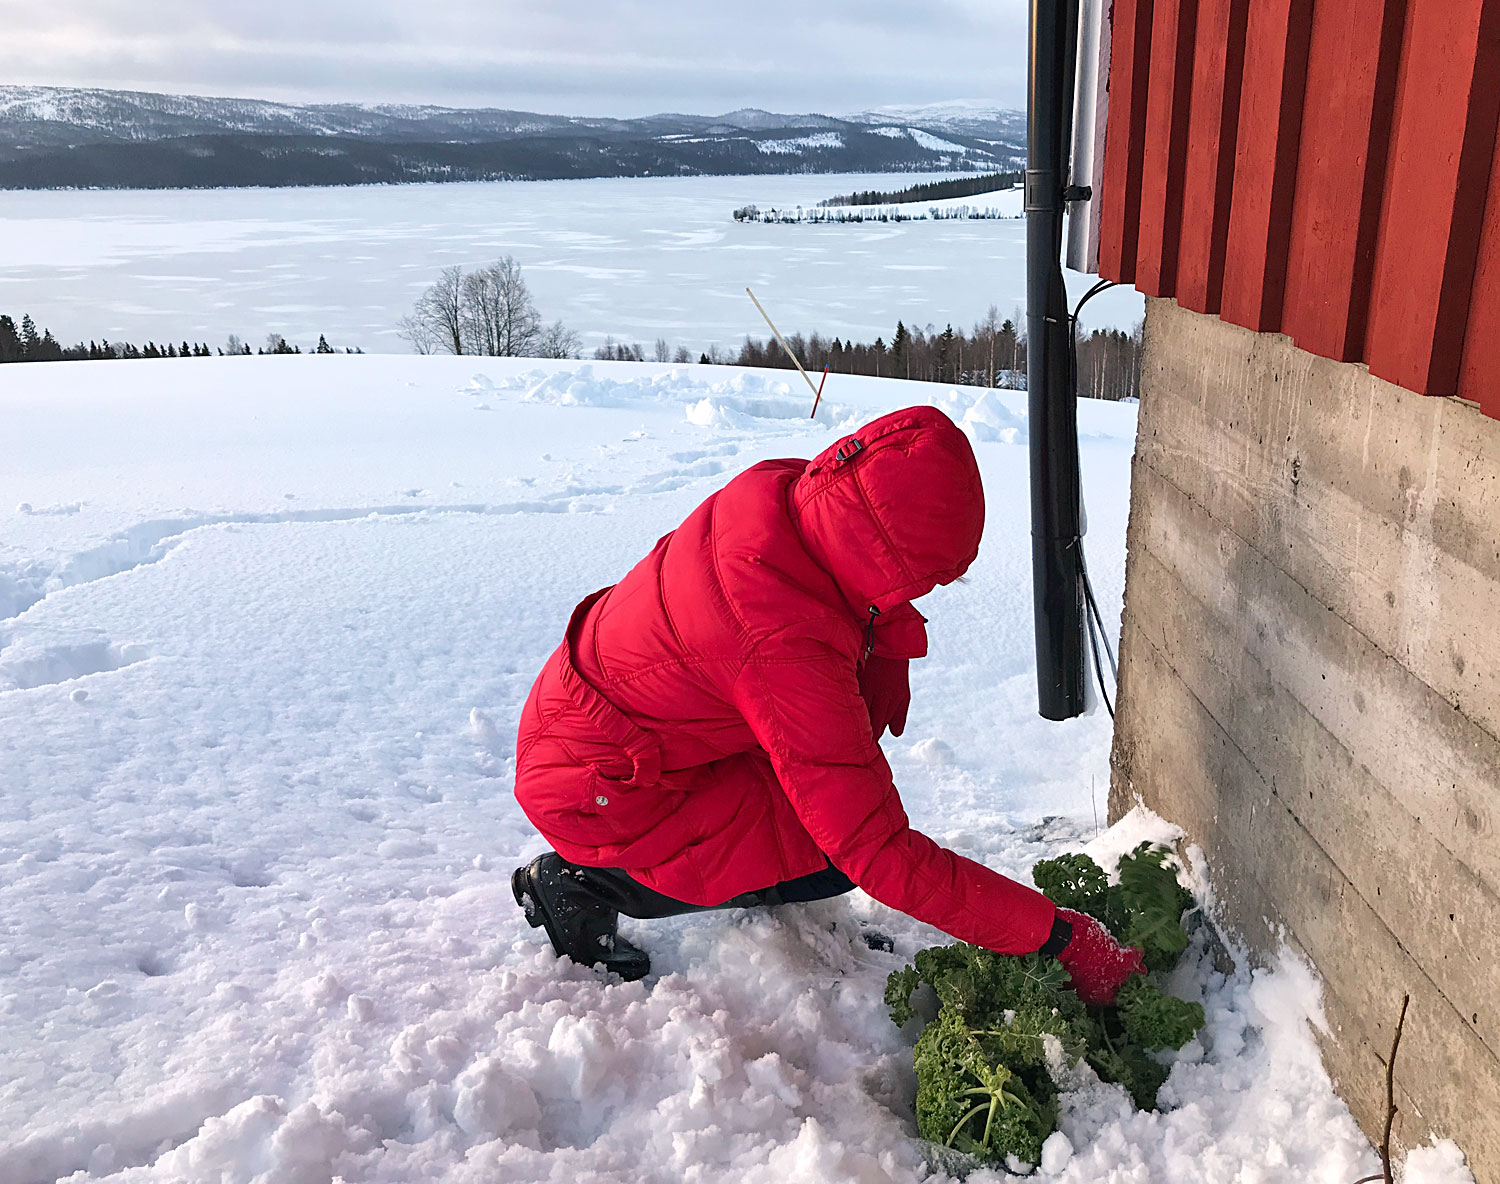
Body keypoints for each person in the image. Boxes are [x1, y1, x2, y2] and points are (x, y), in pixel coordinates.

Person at [510, 405, 1143, 1004]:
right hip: (599, 789)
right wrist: (1057, 936)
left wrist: (886, 647)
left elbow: (837, 574)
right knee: (831, 855)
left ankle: (732, 867)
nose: (921, 595)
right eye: (920, 582)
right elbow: (879, 850)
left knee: (818, 810)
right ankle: (578, 884)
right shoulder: (782, 647)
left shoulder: (786, 492)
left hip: (596, 726)